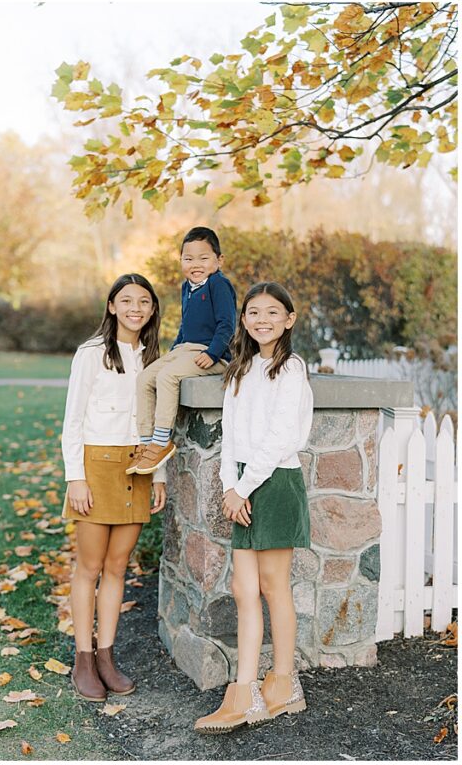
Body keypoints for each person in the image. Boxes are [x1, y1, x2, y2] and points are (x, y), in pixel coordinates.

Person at [194, 282, 314, 734]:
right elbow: (231, 435)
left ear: (289, 319)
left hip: (275, 481)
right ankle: (244, 692)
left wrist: (243, 487)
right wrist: (231, 486)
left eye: (272, 312)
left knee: (273, 585)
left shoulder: (291, 369)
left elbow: (281, 437)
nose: (262, 320)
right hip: (242, 484)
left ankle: (282, 685)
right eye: (254, 313)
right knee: (244, 589)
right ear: (243, 320)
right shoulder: (240, 369)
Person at [61, 273, 168, 702]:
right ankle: (83, 660)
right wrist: (76, 477)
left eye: (143, 301)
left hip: (138, 468)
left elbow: (158, 423)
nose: (134, 309)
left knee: (118, 567)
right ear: (111, 306)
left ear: (153, 309)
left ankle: (106, 656)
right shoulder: (91, 354)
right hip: (96, 466)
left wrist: (158, 474)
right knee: (89, 567)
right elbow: (72, 420)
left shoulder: (154, 358)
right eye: (126, 300)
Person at [128, 227, 236, 475]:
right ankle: (146, 443)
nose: (195, 264)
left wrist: (213, 353)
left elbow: (227, 324)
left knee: (168, 376)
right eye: (188, 259)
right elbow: (186, 325)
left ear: (219, 260)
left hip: (211, 354)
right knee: (145, 378)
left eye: (203, 258)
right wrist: (175, 348)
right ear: (181, 261)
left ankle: (161, 442)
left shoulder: (218, 284)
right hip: (185, 350)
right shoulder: (187, 287)